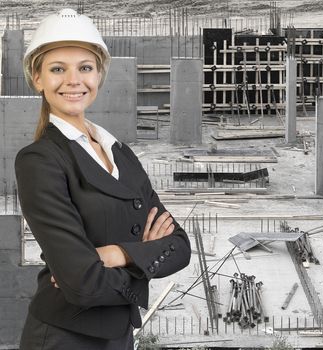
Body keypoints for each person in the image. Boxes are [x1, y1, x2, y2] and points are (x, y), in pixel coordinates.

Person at [15, 9, 191, 349]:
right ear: (37, 78)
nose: (73, 80)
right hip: (64, 337)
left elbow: (179, 246)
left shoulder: (119, 151)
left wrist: (115, 253)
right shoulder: (40, 161)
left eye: (85, 67)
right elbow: (82, 283)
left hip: (118, 336)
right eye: (57, 69)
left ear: (99, 75)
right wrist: (143, 257)